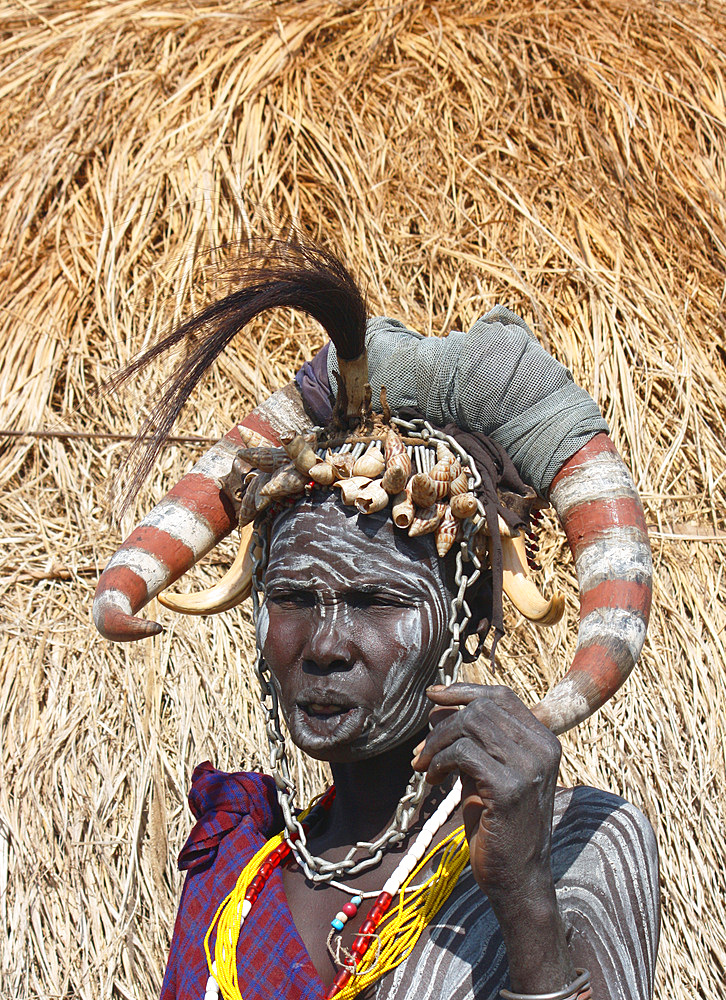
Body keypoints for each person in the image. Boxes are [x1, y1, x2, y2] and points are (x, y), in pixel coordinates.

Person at [94, 241, 659, 999]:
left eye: (375, 601)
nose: (324, 646)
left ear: (459, 625)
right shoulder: (237, 866)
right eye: (292, 597)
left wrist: (523, 893)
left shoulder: (579, 846)